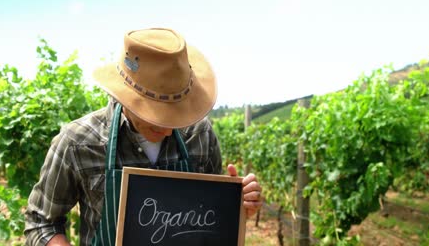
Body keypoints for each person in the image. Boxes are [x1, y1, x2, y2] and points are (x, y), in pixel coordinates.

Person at [25, 28, 263, 245]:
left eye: (175, 114)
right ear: (126, 97)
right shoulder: (78, 142)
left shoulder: (200, 134)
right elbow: (41, 222)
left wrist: (237, 207)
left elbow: (211, 218)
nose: (169, 129)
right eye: (156, 114)